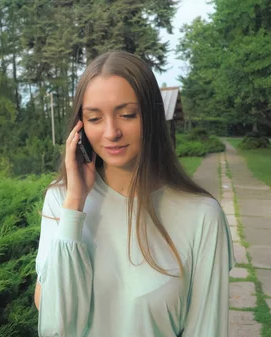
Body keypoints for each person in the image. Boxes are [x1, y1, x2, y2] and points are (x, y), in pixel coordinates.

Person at [33, 50, 235, 337]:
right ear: (79, 128)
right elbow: (56, 326)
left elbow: (207, 328)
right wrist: (74, 206)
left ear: (152, 116)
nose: (111, 132)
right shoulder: (61, 200)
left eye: (127, 114)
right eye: (94, 118)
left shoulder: (202, 216)